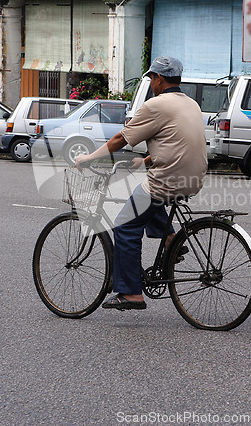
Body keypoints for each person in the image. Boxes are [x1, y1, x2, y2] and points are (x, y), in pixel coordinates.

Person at [75, 56, 207, 311]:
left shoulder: (156, 104)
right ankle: (170, 238)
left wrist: (89, 157)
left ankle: (130, 294)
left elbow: (120, 139)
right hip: (193, 177)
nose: (151, 84)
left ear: (158, 79)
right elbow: (176, 141)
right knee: (143, 197)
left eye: (151, 79)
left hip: (168, 178)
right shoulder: (190, 104)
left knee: (124, 225)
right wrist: (145, 161)